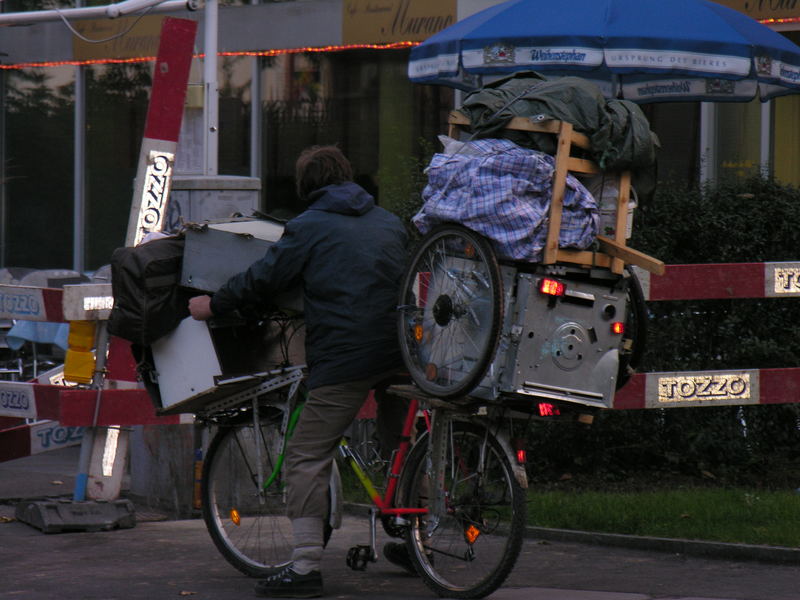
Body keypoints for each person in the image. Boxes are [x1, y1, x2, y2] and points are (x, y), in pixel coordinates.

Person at [189, 145, 409, 598]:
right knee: (402, 443)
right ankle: (413, 536)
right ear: (347, 177)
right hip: (402, 351)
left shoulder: (308, 226)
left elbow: (265, 278)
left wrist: (214, 304)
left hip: (346, 355)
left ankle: (306, 566)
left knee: (306, 454)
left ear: (307, 186)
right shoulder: (389, 223)